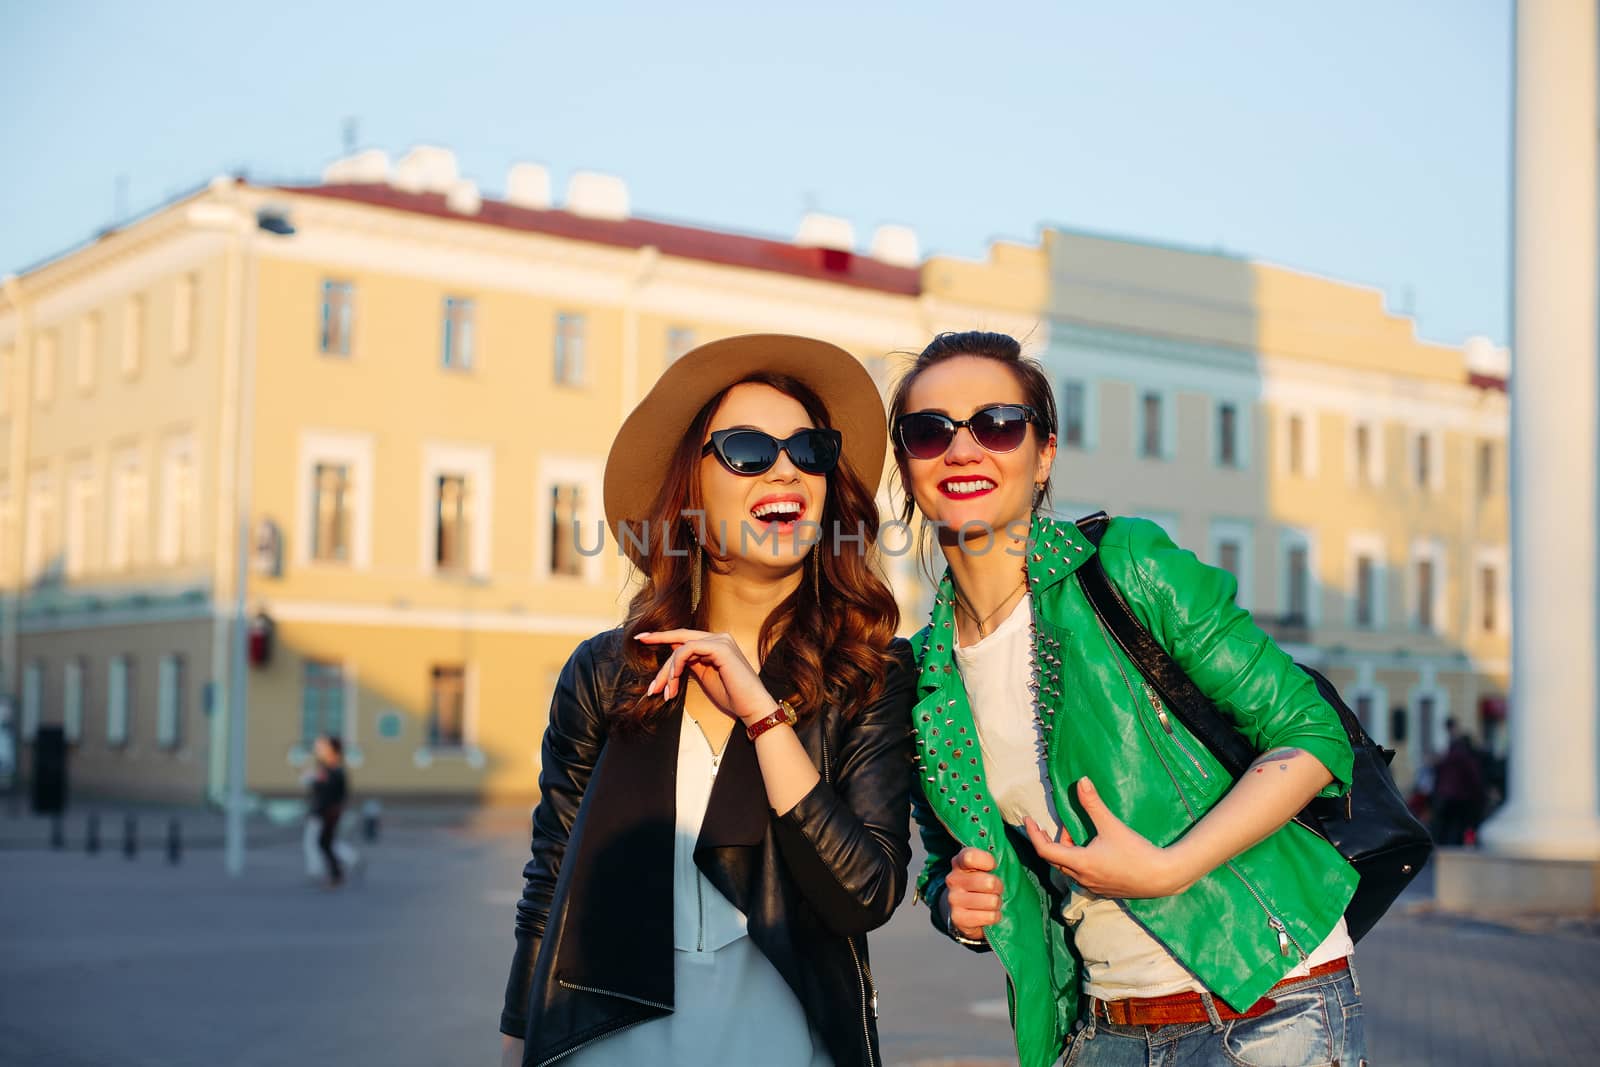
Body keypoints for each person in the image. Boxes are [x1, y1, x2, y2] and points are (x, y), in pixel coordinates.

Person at [891, 331, 1364, 1067]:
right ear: (906, 465)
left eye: (997, 424)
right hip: (1098, 1028)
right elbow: (945, 861)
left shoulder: (1126, 567)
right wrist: (958, 906)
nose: (963, 449)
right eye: (929, 431)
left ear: (1042, 453)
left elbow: (1311, 733)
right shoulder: (923, 676)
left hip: (1267, 1005)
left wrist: (1169, 868)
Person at [498, 334, 915, 1067]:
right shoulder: (606, 671)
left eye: (809, 449)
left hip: (785, 1043)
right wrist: (515, 1047)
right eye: (749, 449)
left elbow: (865, 894)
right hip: (602, 1044)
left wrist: (763, 714)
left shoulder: (868, 673)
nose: (785, 468)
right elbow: (551, 884)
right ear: (689, 489)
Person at [1431, 718, 1485, 847]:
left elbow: (1440, 773)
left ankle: (1445, 849)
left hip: (1449, 795)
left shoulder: (1450, 753)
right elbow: (1473, 776)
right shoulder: (1463, 754)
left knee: (1448, 827)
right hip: (1461, 796)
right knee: (1459, 827)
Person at [306, 735, 349, 888]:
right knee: (325, 843)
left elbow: (334, 790)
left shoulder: (334, 769)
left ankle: (336, 874)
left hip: (329, 812)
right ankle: (337, 873)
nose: (320, 750)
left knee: (324, 843)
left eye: (324, 747)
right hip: (325, 811)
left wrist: (317, 782)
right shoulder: (328, 768)